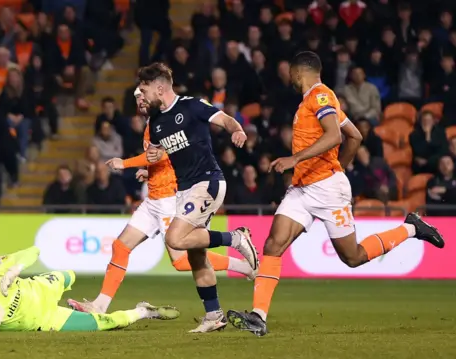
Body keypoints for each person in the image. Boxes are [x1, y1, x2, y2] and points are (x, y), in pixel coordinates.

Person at [226, 51, 445, 337]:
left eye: (290, 74)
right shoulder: (314, 100)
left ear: (297, 73)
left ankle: (411, 228)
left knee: (352, 257)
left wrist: (299, 161)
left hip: (328, 190)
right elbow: (355, 135)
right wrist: (337, 166)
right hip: (303, 189)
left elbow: (336, 136)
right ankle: (258, 316)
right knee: (273, 244)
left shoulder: (320, 96)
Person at [67, 88, 256, 316]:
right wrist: (150, 173)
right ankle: (100, 305)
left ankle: (243, 265)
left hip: (169, 198)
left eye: (143, 96)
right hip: (153, 199)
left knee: (181, 260)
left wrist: (124, 163)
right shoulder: (153, 124)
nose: (140, 101)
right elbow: (163, 159)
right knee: (120, 246)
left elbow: (164, 154)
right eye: (137, 98)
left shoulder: (165, 121)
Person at [137, 63, 259, 333]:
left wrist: (237, 130)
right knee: (196, 257)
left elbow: (225, 119)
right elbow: (158, 153)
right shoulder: (156, 123)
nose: (141, 95)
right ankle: (214, 315)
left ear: (160, 88)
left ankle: (236, 238)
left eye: (144, 90)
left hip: (207, 182)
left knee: (174, 239)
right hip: (184, 190)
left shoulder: (191, 106)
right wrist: (148, 169)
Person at [0, 246, 180, 333]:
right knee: (103, 324)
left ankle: (86, 304)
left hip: (42, 288)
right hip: (48, 320)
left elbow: (34, 251)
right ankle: (144, 311)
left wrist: (15, 268)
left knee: (69, 274)